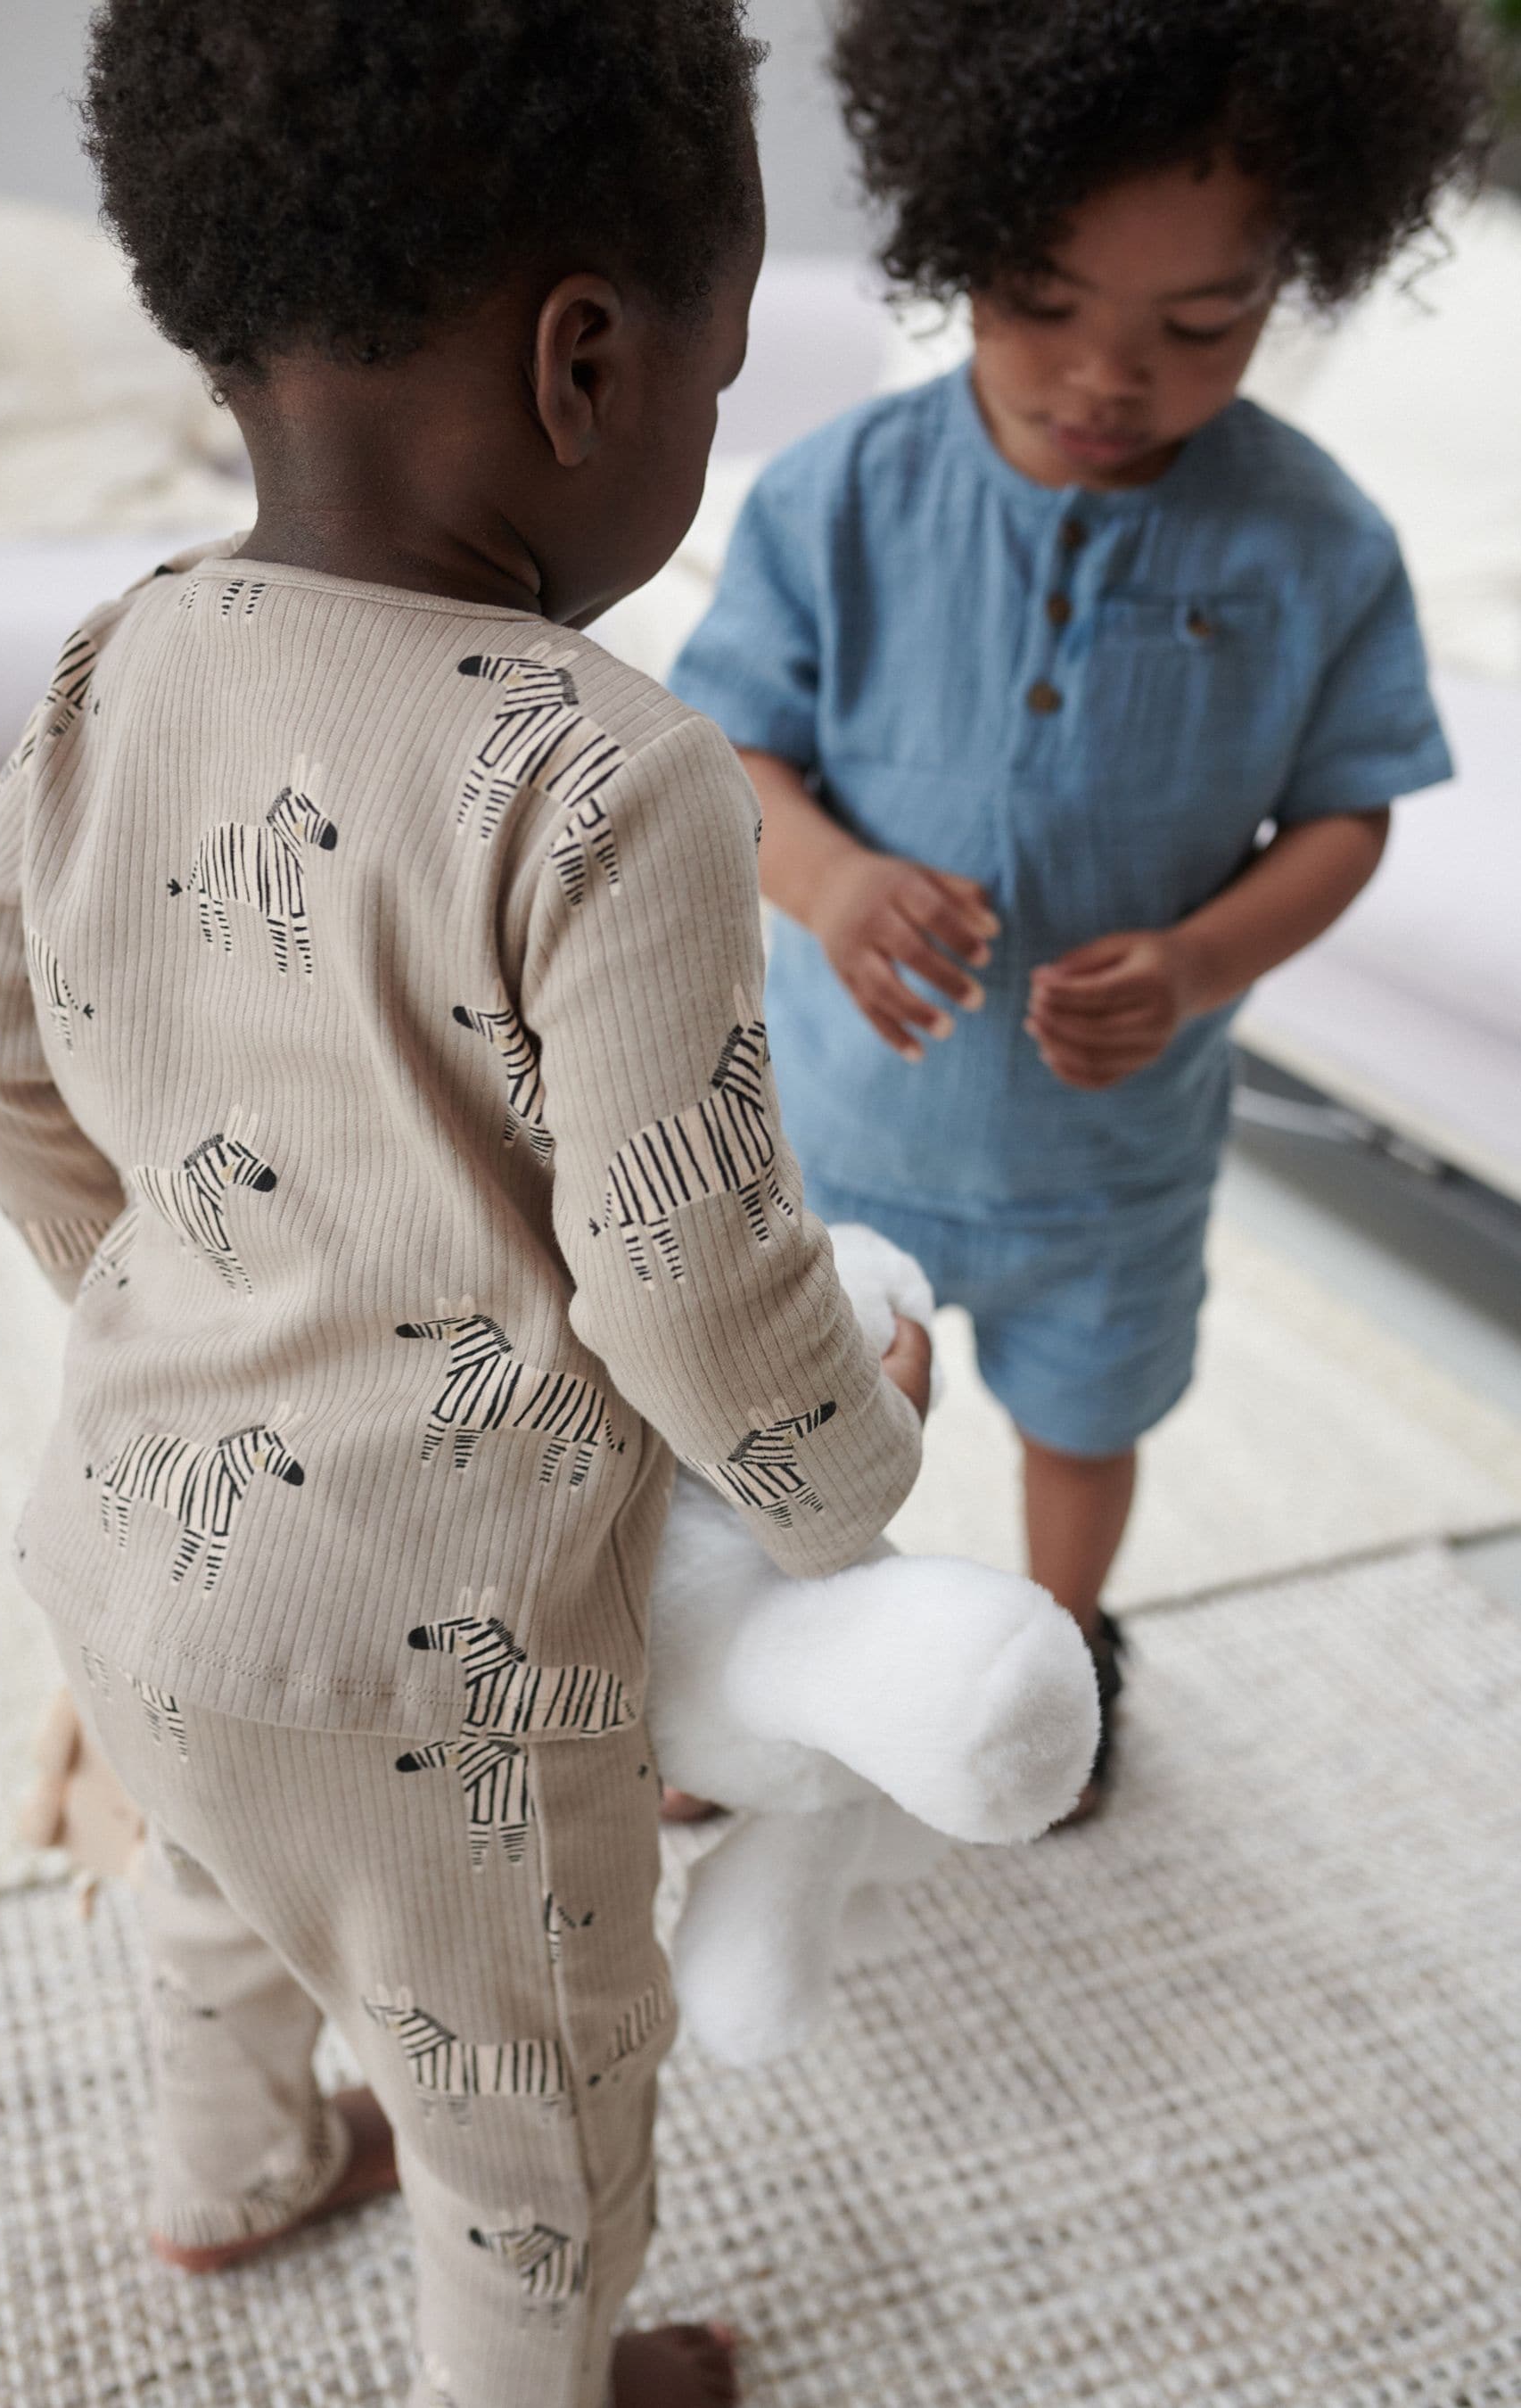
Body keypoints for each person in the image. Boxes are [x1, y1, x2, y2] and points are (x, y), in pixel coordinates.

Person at [0, 6, 933, 2404]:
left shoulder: (111, 656)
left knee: (213, 1892)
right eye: (722, 366)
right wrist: (849, 1485)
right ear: (592, 363)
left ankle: (231, 2170)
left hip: (131, 1543)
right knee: (533, 2107)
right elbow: (687, 1260)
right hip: (434, 1656)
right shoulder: (609, 771)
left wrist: (145, 1275)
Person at [670, 0, 1490, 1821]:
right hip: (847, 1122)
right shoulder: (843, 499)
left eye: (1203, 324)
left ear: (1297, 278)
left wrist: (1208, 959)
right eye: (1047, 300)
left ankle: (1059, 1649)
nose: (1112, 376)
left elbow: (1348, 815)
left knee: (1086, 1424)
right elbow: (726, 747)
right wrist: (828, 875)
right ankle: (763, 1665)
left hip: (1109, 1160)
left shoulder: (1317, 543)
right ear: (961, 239)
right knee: (796, 1420)